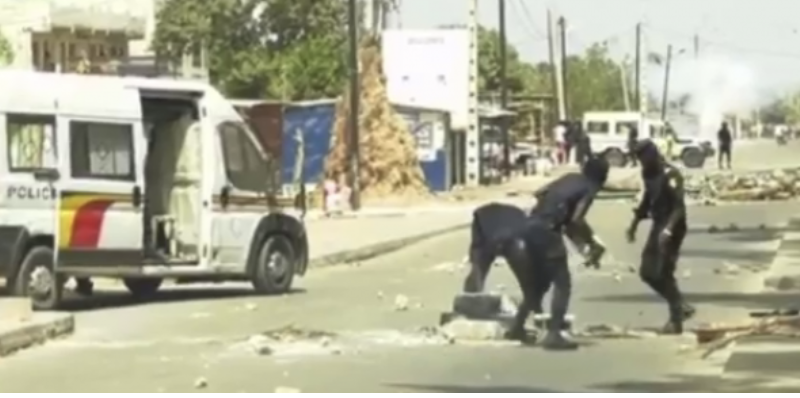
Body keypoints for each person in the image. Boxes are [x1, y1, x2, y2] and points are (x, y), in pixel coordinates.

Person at [463, 156, 610, 350]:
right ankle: (554, 334)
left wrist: (574, 235)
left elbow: (540, 193)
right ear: (603, 176)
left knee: (539, 284)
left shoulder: (569, 178)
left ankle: (517, 327)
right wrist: (590, 242)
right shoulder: (589, 188)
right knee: (562, 283)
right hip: (547, 231)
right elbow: (576, 220)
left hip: (529, 225)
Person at [626, 140, 696, 334]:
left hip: (673, 226)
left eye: (643, 157)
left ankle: (676, 319)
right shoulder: (647, 173)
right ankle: (681, 306)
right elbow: (648, 200)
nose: (641, 161)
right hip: (658, 224)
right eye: (638, 158)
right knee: (647, 272)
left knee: (663, 271)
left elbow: (679, 207)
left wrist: (668, 231)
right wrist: (634, 224)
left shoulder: (670, 174)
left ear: (653, 153)